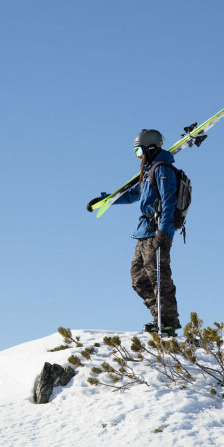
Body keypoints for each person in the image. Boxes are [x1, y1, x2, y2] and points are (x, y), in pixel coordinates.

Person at [87, 129, 181, 336]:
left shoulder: (162, 170)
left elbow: (168, 201)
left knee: (159, 277)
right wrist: (106, 200)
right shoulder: (148, 172)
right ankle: (159, 317)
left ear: (151, 148)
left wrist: (164, 233)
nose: (137, 155)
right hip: (143, 233)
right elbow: (132, 195)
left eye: (139, 150)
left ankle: (168, 322)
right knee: (138, 278)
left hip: (157, 232)